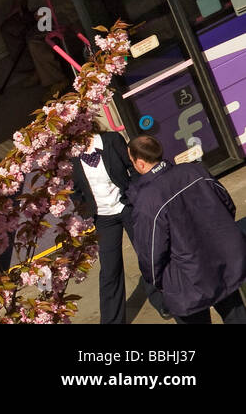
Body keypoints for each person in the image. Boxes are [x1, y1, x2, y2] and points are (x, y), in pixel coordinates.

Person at [128, 134, 246, 324]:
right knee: (237, 316)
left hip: (185, 281)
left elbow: (151, 256)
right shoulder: (194, 171)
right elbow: (228, 205)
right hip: (221, 264)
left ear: (140, 163)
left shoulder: (147, 200)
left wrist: (160, 283)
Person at [71, 123, 170, 323]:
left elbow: (132, 168)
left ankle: (164, 301)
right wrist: (84, 209)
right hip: (103, 217)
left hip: (127, 207)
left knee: (148, 255)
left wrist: (133, 195)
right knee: (109, 270)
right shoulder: (70, 156)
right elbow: (75, 190)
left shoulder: (111, 140)